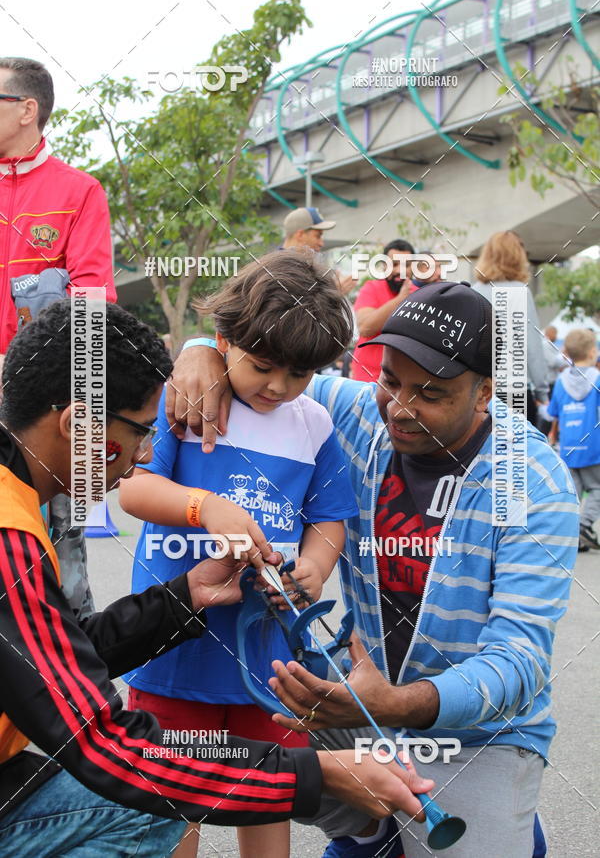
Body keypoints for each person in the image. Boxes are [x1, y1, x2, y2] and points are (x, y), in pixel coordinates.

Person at [0, 298, 434, 857]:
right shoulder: (9, 534)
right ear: (75, 424)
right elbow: (103, 747)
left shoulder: (18, 504)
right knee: (148, 804)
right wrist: (315, 775)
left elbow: (50, 663)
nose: (145, 453)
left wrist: (185, 598)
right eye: (139, 431)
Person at [168, 281, 579, 858]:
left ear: (486, 392)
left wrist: (394, 703)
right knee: (232, 721)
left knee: (464, 840)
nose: (402, 407)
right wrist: (198, 353)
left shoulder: (534, 480)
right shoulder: (360, 416)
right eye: (391, 380)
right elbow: (267, 355)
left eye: (431, 393)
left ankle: (493, 820)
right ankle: (368, 831)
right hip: (356, 700)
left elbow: (520, 661)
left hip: (477, 733)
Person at [119, 251, 359, 858]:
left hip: (268, 656)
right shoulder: (184, 403)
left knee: (269, 792)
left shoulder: (315, 425)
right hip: (175, 647)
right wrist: (205, 508)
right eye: (263, 366)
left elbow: (330, 518)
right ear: (223, 340)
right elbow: (135, 488)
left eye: (299, 375)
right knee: (170, 801)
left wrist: (315, 567)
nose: (279, 387)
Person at [0, 56, 116, 620]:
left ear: (27, 109)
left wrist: (85, 414)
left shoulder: (79, 191)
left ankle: (72, 680)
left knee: (60, 545)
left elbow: (94, 307)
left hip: (46, 398)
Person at [472, 231, 548, 425]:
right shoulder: (521, 292)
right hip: (516, 391)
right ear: (517, 256)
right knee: (519, 453)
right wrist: (542, 391)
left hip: (481, 393)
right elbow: (533, 348)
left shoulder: (473, 292)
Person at [547, 328, 600, 552]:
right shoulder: (597, 378)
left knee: (573, 493)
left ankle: (570, 534)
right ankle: (584, 526)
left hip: (568, 445)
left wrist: (553, 434)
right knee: (597, 488)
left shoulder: (560, 381)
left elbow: (554, 413)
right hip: (593, 445)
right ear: (591, 352)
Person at [351, 239, 416, 383]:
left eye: (406, 265)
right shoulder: (371, 288)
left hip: (405, 384)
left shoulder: (421, 295)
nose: (400, 271)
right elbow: (365, 327)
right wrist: (401, 298)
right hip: (368, 381)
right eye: (394, 264)